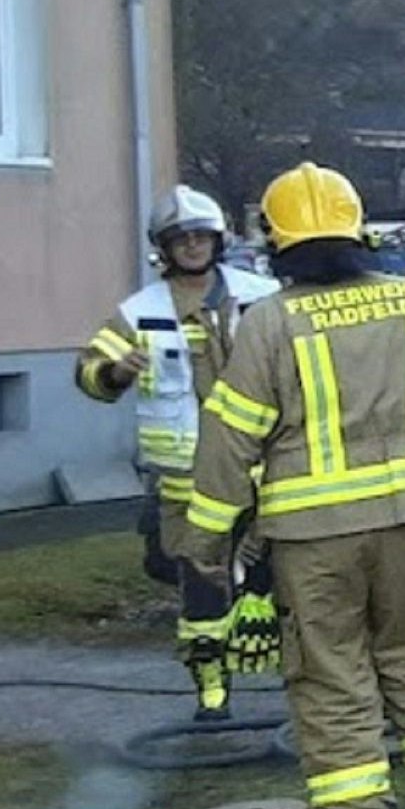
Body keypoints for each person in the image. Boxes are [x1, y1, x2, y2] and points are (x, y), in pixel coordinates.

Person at [180, 163, 405, 809]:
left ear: (277, 242)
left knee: (333, 679)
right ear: (357, 233)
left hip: (312, 536)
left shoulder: (270, 324)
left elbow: (228, 438)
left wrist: (206, 541)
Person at [74, 186, 280, 722]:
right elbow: (89, 374)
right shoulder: (139, 313)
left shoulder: (262, 295)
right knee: (200, 585)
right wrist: (116, 373)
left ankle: (303, 679)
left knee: (289, 574)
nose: (191, 246)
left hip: (267, 469)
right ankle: (211, 684)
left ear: (218, 240)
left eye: (200, 237)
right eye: (180, 238)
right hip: (188, 480)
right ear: (163, 248)